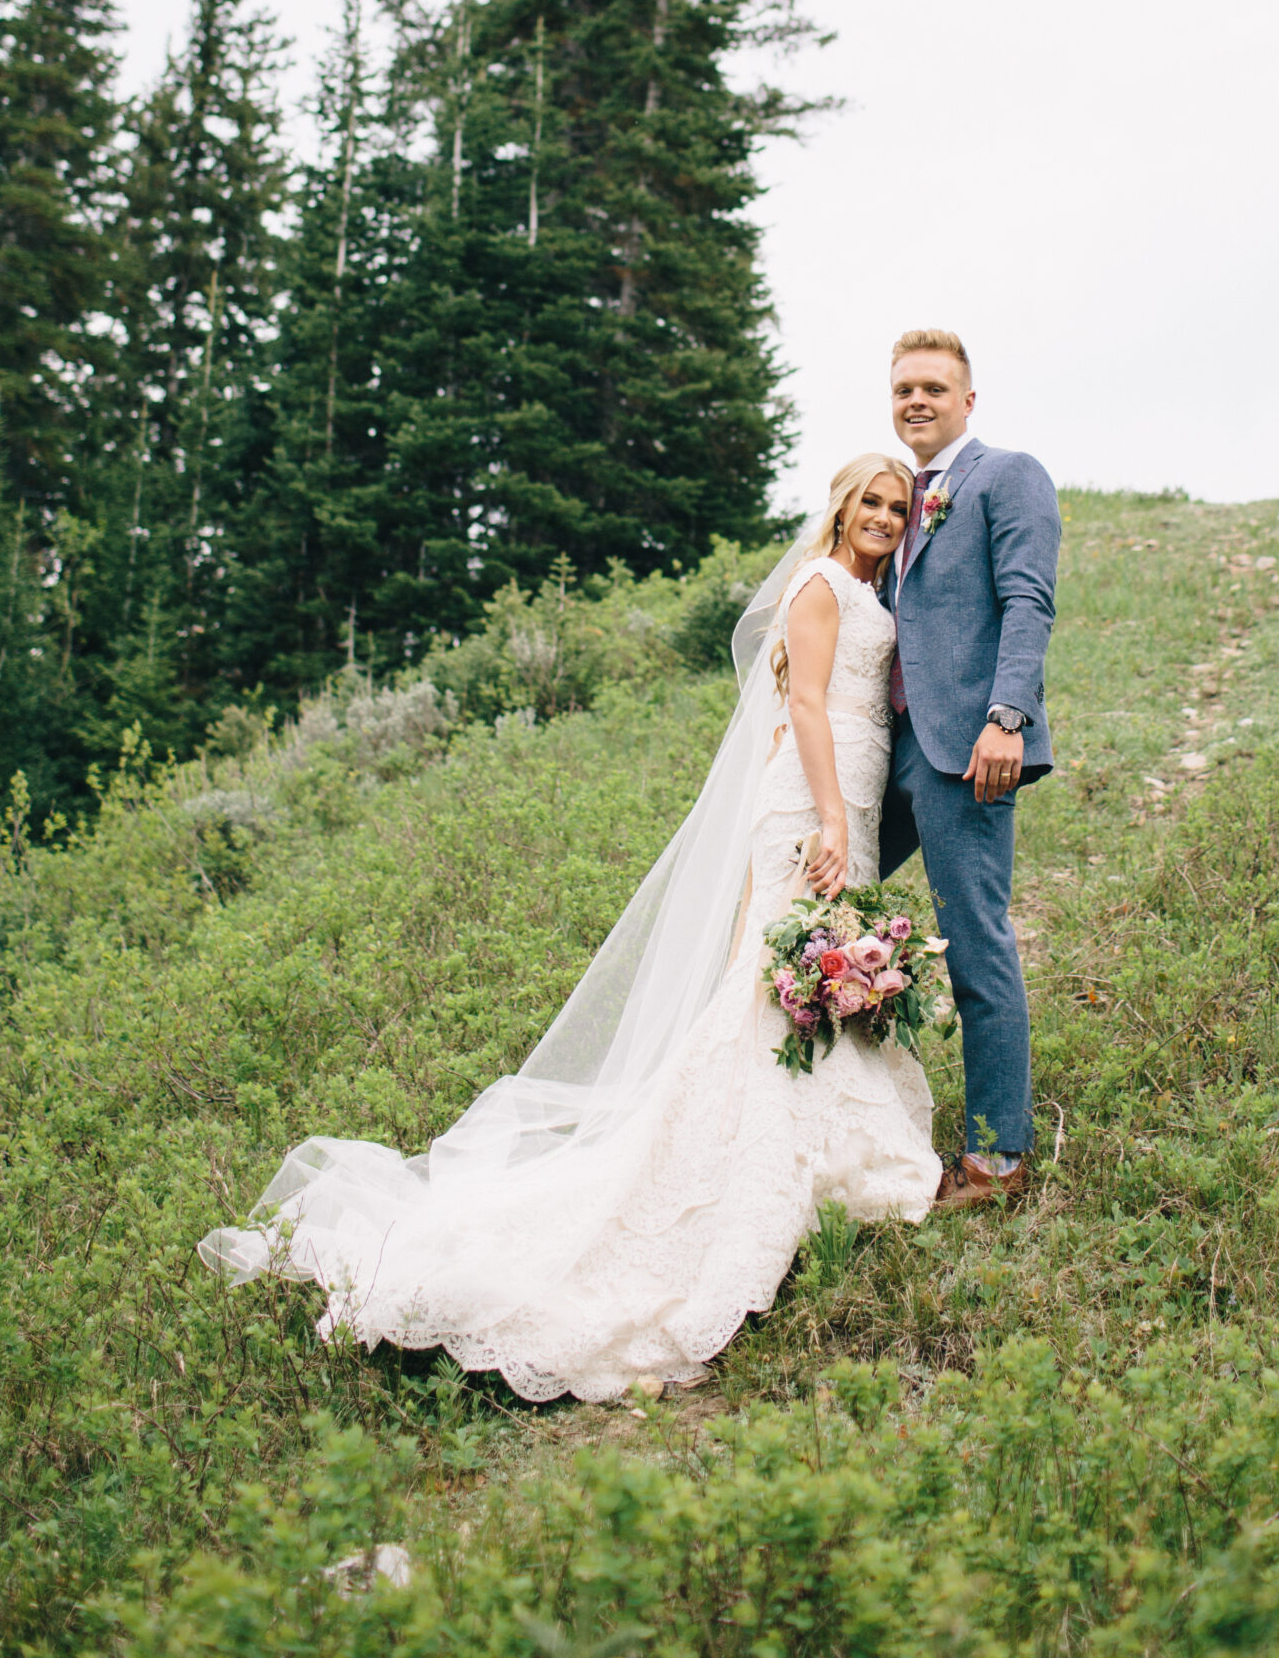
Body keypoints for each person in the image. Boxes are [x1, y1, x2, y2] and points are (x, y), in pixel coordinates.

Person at [199, 455, 939, 1403]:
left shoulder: (874, 588)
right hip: (817, 800)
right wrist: (831, 819)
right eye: (867, 502)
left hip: (851, 795)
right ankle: (764, 1173)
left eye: (894, 505)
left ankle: (829, 1153)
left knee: (802, 974)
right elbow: (802, 704)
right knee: (784, 982)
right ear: (840, 509)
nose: (881, 516)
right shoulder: (822, 585)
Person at [877, 328, 1061, 1210]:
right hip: (887, 749)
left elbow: (1028, 599)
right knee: (806, 907)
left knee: (976, 947)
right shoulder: (893, 495)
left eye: (934, 388)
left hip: (968, 754)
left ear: (968, 400)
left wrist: (1006, 719)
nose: (917, 400)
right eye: (904, 387)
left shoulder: (1006, 475)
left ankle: (996, 1159)